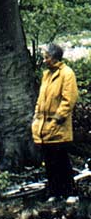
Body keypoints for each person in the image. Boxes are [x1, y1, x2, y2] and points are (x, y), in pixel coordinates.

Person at [32, 43, 79, 204]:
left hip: (59, 127)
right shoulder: (46, 75)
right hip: (44, 126)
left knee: (61, 161)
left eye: (47, 57)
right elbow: (41, 99)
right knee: (50, 162)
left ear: (55, 57)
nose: (45, 60)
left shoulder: (67, 74)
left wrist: (57, 119)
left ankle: (70, 192)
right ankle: (55, 192)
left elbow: (69, 99)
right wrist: (37, 118)